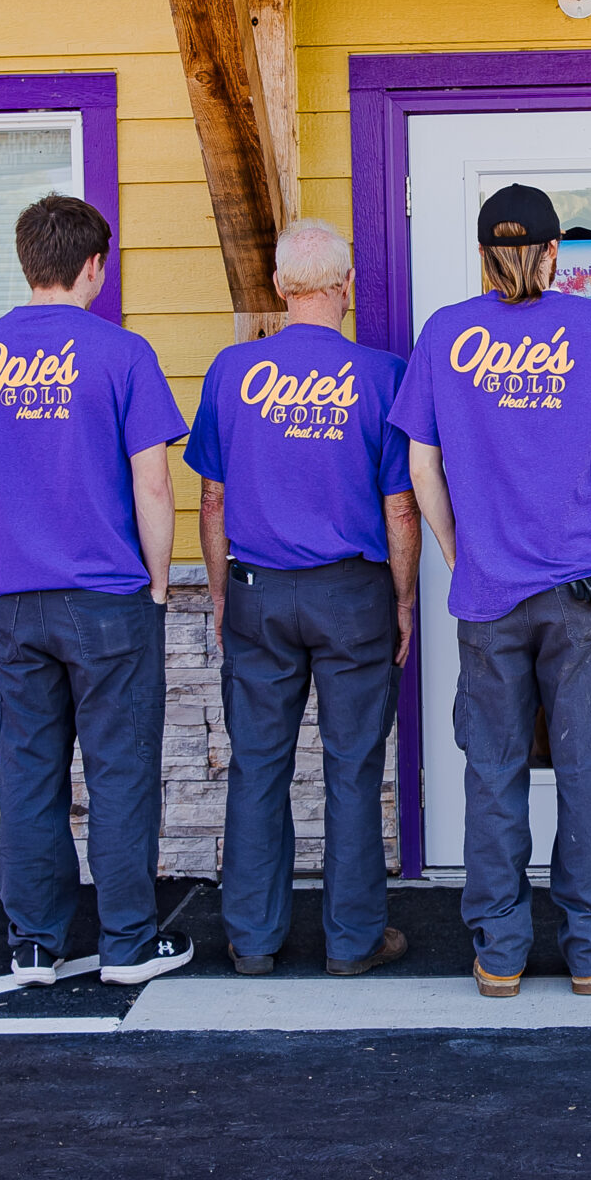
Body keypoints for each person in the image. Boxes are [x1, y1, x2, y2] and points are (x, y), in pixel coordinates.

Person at [393, 183, 591, 998]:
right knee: (585, 772)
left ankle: (499, 953)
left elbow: (420, 466)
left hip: (490, 594)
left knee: (493, 773)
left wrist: (455, 547)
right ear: (549, 253)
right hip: (579, 589)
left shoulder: (444, 333)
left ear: (482, 252)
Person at [0, 194, 194, 989]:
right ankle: (125, 944)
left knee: (29, 771)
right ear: (94, 266)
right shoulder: (122, 353)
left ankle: (35, 946)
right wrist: (157, 582)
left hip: (19, 602)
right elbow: (154, 487)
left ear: (28, 261)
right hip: (110, 599)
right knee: (119, 773)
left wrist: (7, 558)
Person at [186, 219, 417, 980]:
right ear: (344, 287)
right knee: (352, 769)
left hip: (258, 589)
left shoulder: (231, 372)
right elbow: (399, 510)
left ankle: (252, 938)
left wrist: (222, 592)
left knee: (259, 766)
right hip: (353, 594)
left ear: (282, 289)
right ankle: (352, 941)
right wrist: (405, 602)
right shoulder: (381, 376)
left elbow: (212, 500)